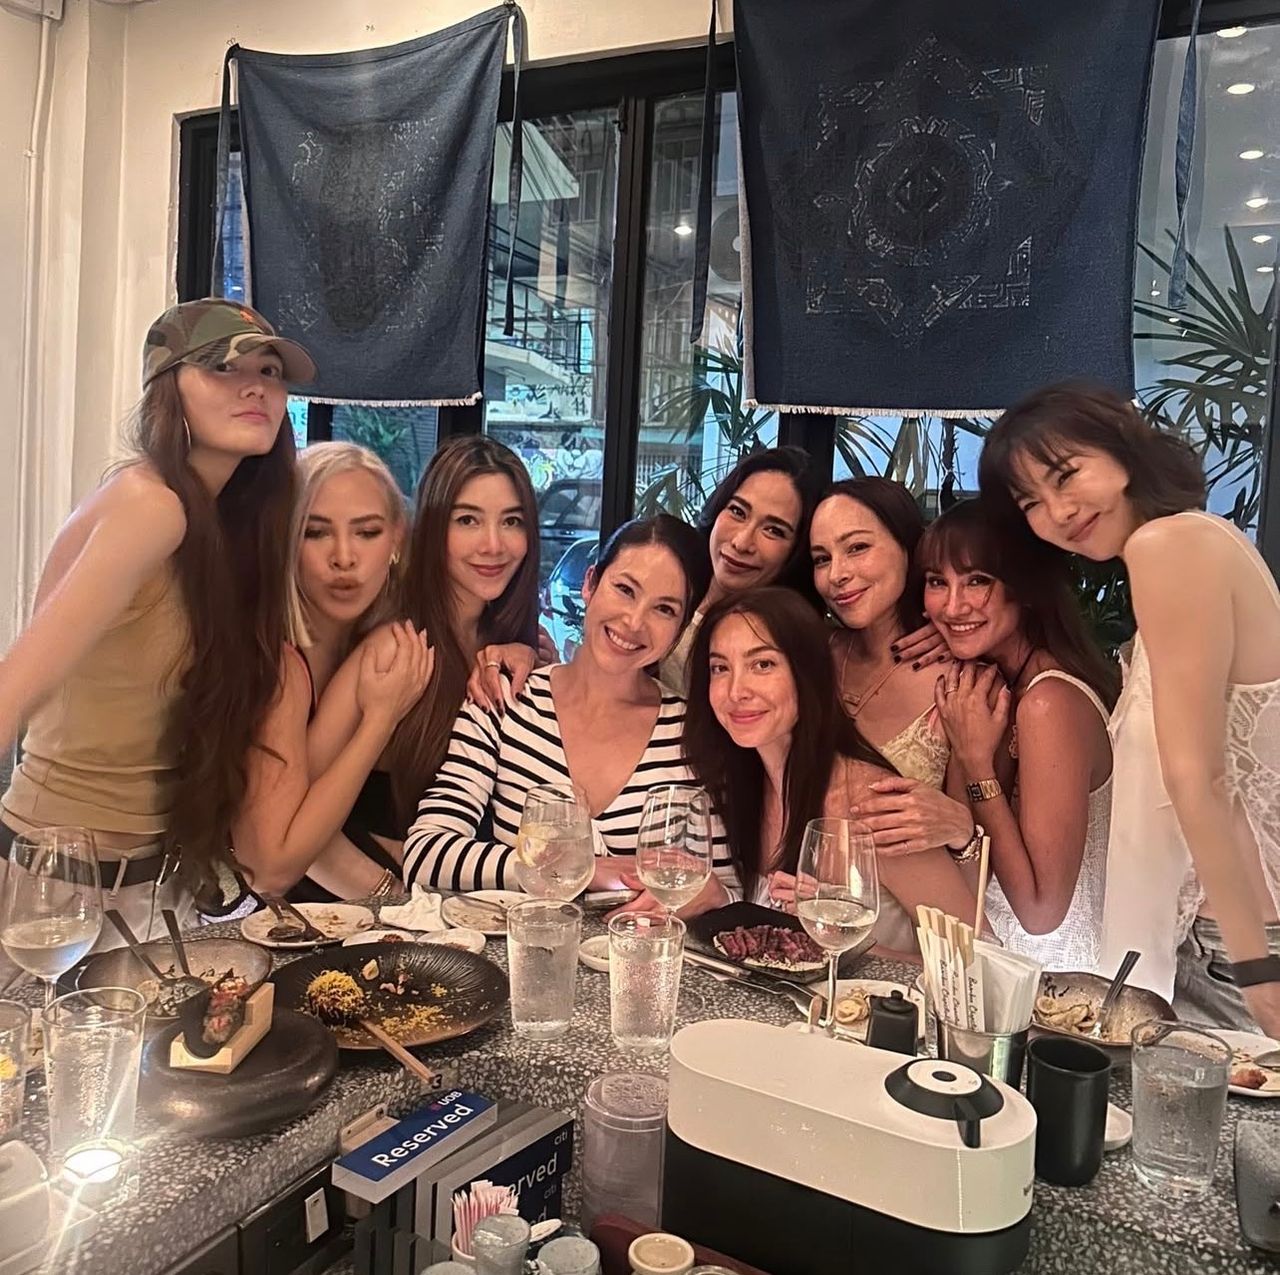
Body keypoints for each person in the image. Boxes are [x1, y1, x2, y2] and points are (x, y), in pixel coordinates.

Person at [0, 298, 312, 938]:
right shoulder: (150, 505)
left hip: (149, 888)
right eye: (223, 367)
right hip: (58, 886)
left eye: (271, 370)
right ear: (168, 387)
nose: (257, 386)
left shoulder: (219, 526)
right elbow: (15, 688)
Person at [981, 381, 1280, 1036]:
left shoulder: (1167, 547)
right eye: (1031, 502)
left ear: (1122, 446)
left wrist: (1259, 971)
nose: (1059, 511)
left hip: (1228, 948)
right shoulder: (1200, 542)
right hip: (1222, 939)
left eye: (1066, 474)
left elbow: (1198, 778)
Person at [403, 515, 739, 912]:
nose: (634, 622)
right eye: (625, 589)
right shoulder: (507, 699)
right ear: (590, 584)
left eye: (664, 609)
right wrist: (574, 868)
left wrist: (714, 894)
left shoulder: (692, 735)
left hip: (640, 951)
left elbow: (728, 890)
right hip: (521, 947)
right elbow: (424, 855)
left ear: (680, 629)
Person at [682, 587, 980, 955]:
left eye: (763, 665)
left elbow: (975, 958)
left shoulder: (872, 805)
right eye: (720, 668)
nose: (735, 691)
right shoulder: (740, 786)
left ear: (808, 674)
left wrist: (837, 940)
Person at [305, 436, 543, 854]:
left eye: (512, 521)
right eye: (467, 520)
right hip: (374, 888)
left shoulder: (511, 646)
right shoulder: (394, 647)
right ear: (432, 528)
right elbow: (295, 812)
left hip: (472, 885)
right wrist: (385, 886)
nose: (493, 544)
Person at [918, 500, 1117, 972]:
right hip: (989, 968)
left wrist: (976, 762)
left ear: (1023, 589)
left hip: (1057, 987)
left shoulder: (1050, 702)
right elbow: (970, 876)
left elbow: (1040, 912)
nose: (953, 605)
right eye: (936, 582)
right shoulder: (995, 687)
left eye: (977, 581)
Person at [229, 443, 432, 901]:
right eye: (316, 532)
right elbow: (269, 869)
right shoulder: (278, 664)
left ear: (397, 540)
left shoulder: (374, 639)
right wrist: (381, 718)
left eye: (367, 532)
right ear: (285, 540)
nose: (343, 556)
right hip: (233, 915)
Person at [810, 478, 976, 861]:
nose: (836, 574)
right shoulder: (811, 656)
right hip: (797, 890)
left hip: (914, 895)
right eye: (821, 558)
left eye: (857, 547)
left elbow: (974, 870)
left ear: (908, 547)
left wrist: (961, 829)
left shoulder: (961, 686)